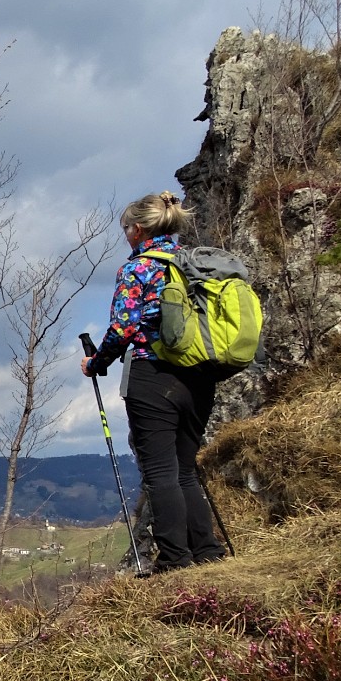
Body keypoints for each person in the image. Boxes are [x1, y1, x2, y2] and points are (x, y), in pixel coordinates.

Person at [82, 191, 227, 573]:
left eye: (126, 228)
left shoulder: (138, 268)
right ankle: (208, 553)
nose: (125, 235)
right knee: (184, 469)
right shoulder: (194, 264)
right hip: (199, 376)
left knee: (160, 471)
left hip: (153, 374)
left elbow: (123, 327)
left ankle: (176, 561)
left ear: (140, 229)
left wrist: (97, 362)